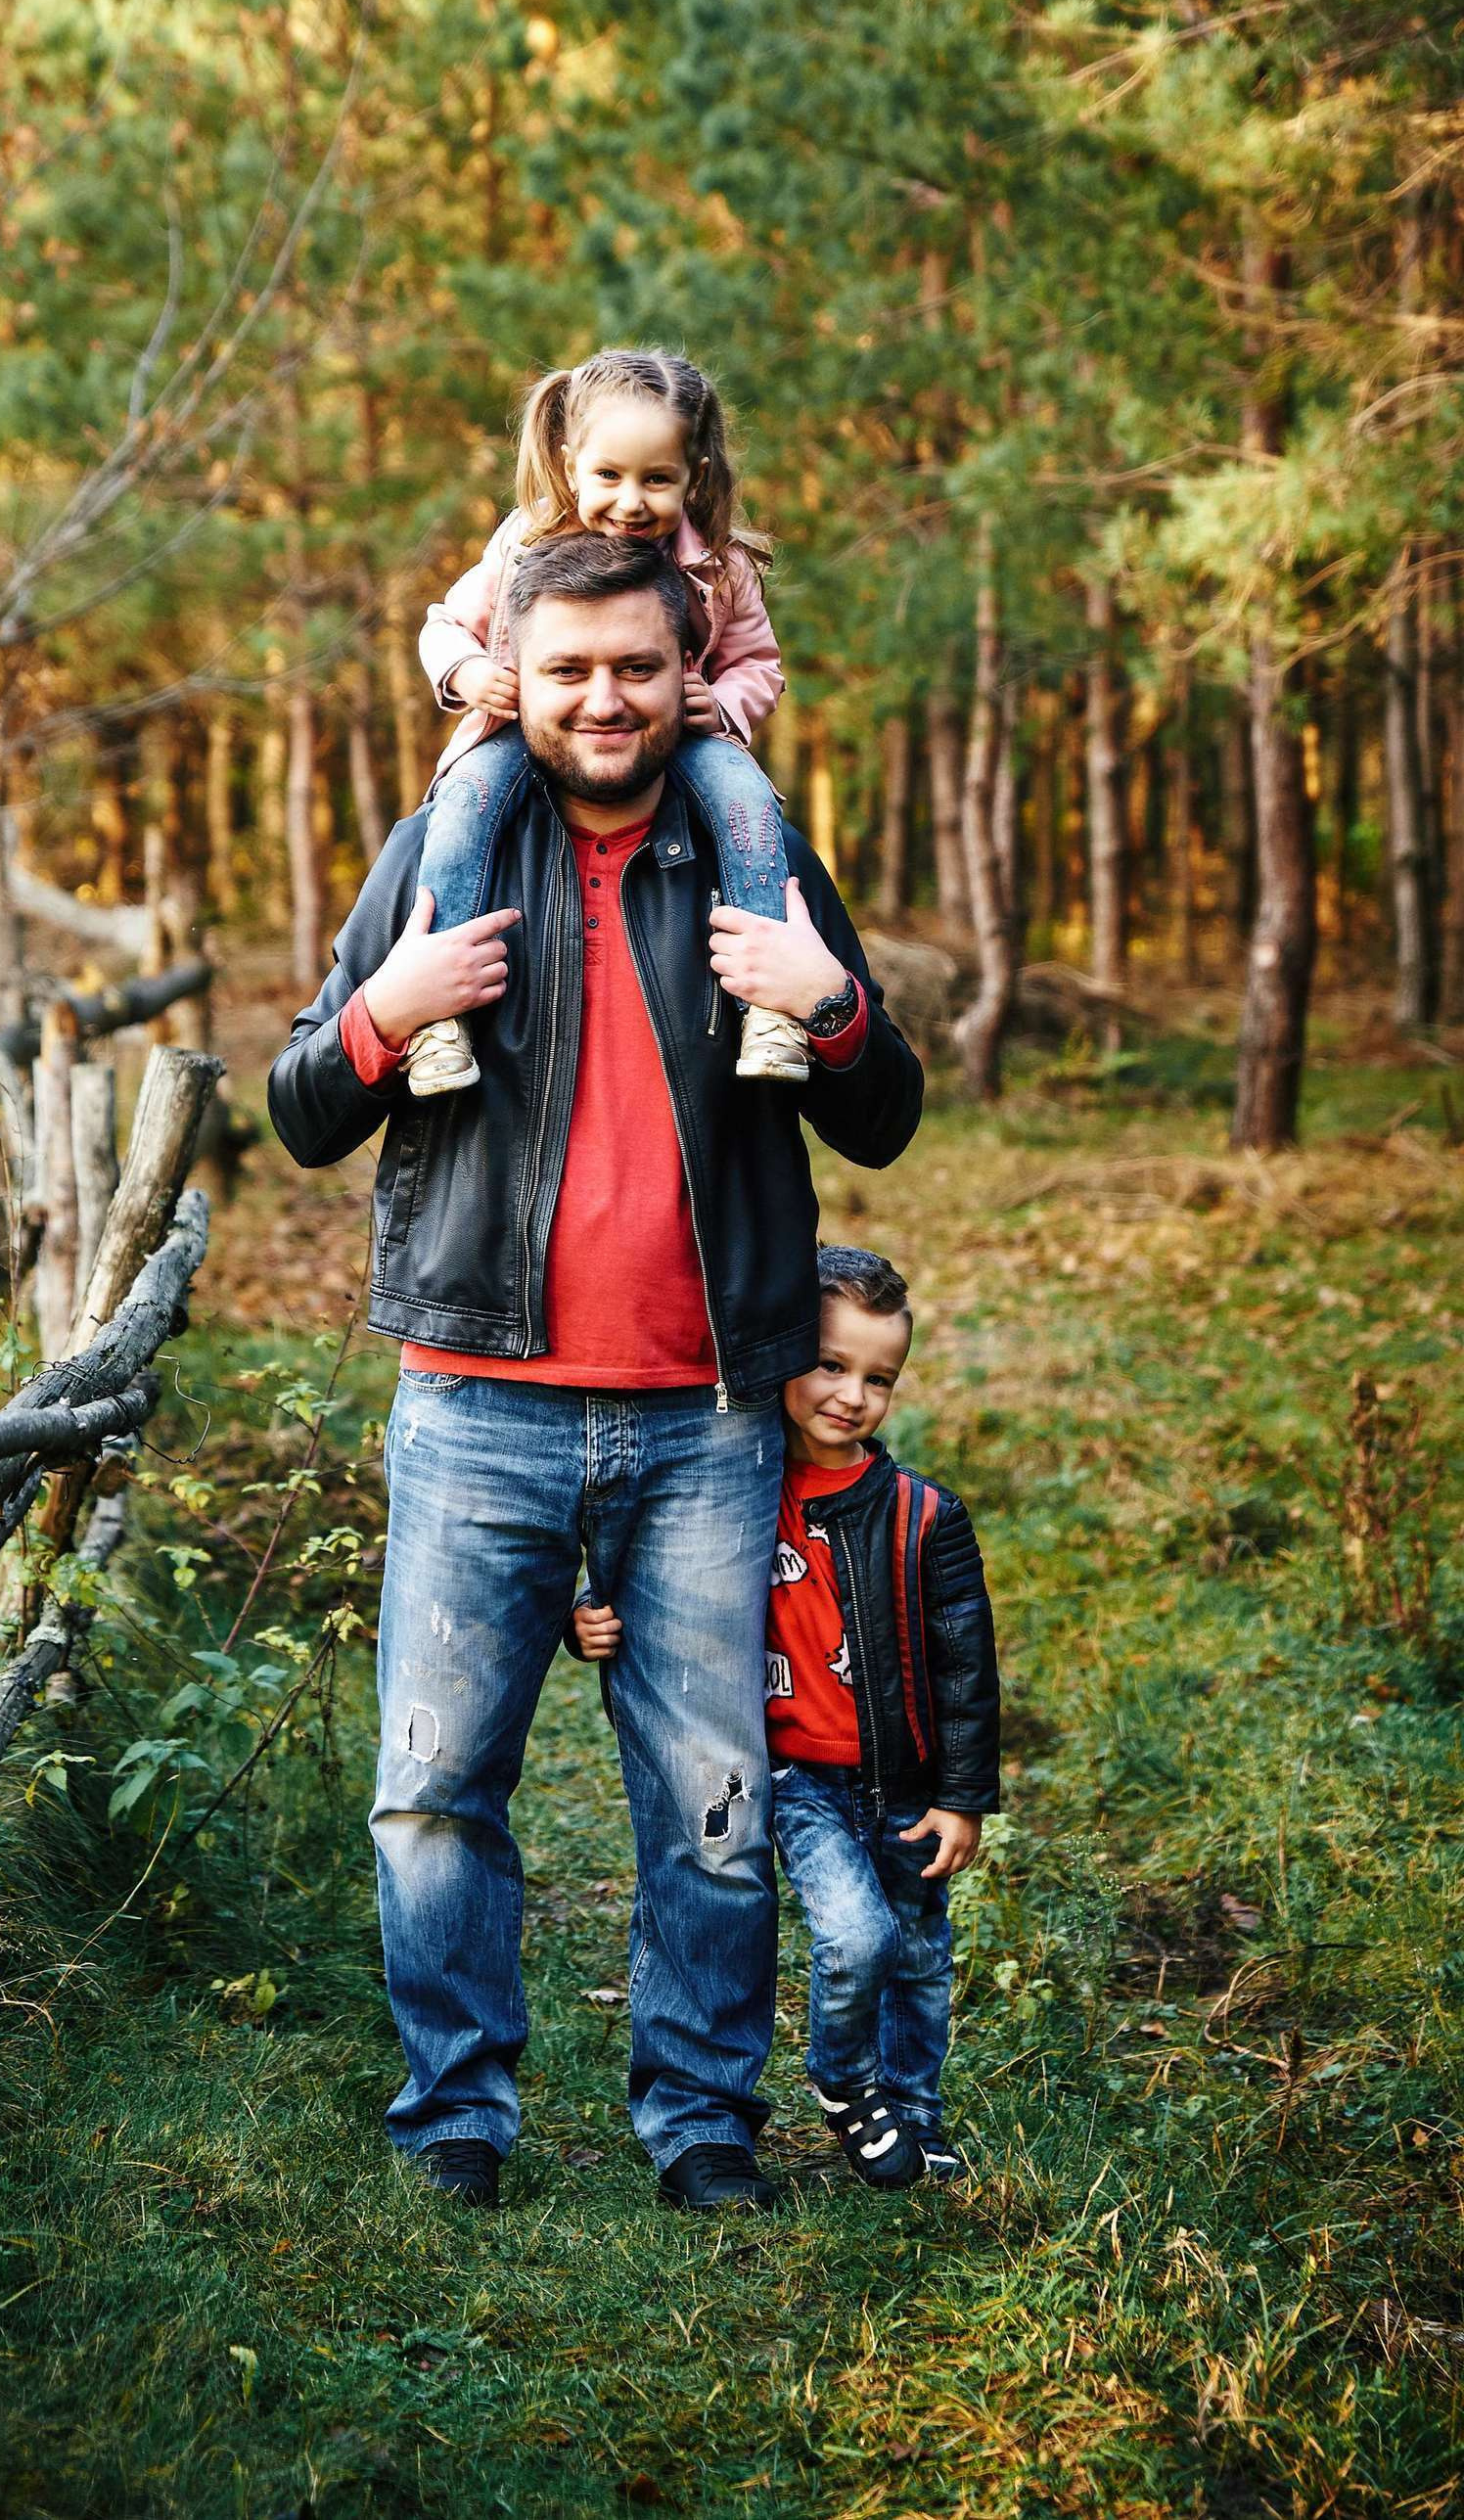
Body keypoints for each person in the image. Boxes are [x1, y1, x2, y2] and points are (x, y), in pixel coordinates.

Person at [268, 531, 924, 2215]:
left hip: (708, 1419)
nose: (604, 697)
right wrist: (384, 1009)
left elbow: (886, 1111)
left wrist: (827, 1000)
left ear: (686, 666)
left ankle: (703, 2119)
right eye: (567, 669)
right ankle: (456, 2116)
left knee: (710, 1798)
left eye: (636, 666)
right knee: (430, 1791)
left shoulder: (750, 854)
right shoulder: (446, 850)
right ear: (517, 675)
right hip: (475, 1404)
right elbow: (296, 1110)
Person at [572, 1243, 999, 2188]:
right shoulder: (730, 1494)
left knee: (921, 1959)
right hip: (800, 1779)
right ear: (784, 1354)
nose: (851, 1395)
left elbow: (966, 1667)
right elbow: (651, 1590)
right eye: (831, 1365)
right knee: (859, 1937)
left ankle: (915, 2114)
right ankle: (844, 2083)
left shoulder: (924, 1516)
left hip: (904, 1778)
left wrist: (965, 1796)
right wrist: (590, 1623)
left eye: (879, 1378)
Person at [409, 345, 804, 1097]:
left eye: (657, 479)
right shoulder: (524, 544)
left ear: (696, 473)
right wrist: (466, 673)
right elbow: (443, 625)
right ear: (570, 463)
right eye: (610, 477)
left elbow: (761, 664)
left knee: (750, 806)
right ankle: (438, 1015)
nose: (632, 502)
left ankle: (771, 1007)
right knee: (462, 808)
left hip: (680, 739)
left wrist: (721, 705)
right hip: (524, 732)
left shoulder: (722, 567)